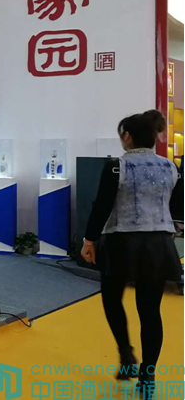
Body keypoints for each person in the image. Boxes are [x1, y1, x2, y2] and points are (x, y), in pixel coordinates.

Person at [81, 110, 182, 398]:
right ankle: (148, 377)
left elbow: (102, 206)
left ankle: (126, 352)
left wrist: (89, 240)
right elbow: (177, 206)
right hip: (159, 244)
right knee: (150, 311)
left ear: (127, 136)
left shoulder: (116, 167)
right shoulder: (171, 166)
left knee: (112, 298)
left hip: (121, 242)